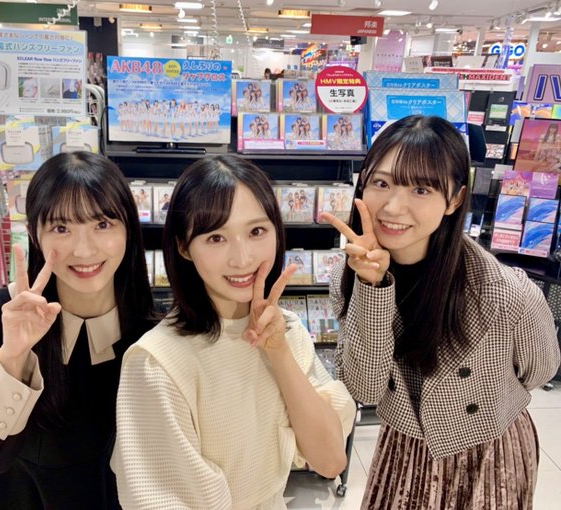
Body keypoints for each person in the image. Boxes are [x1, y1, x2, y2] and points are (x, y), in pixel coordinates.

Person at [321, 115, 560, 509]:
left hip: (487, 449)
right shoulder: (346, 280)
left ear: (454, 200)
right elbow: (365, 388)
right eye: (381, 183)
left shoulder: (506, 292)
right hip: (406, 446)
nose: (393, 206)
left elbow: (541, 369)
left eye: (421, 188)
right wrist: (373, 287)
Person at [111, 155, 356, 508]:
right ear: (183, 246)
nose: (242, 259)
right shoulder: (156, 362)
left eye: (256, 232)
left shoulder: (287, 330)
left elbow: (330, 460)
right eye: (215, 237)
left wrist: (278, 351)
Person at [0, 152, 157, 509]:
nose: (84, 250)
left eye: (102, 224)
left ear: (129, 229)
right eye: (61, 228)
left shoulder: (151, 330)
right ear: (34, 235)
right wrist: (14, 358)